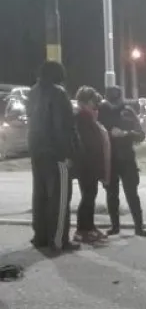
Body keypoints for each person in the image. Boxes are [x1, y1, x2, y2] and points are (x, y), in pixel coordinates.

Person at [26, 60, 78, 253]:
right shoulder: (59, 93)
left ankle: (40, 236)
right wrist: (67, 153)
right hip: (56, 153)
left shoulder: (33, 92)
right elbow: (62, 127)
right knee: (60, 197)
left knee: (39, 195)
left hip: (36, 151)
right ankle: (58, 240)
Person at [99, 86, 146, 237]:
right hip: (109, 159)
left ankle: (139, 227)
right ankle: (115, 227)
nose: (113, 104)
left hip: (127, 158)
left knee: (132, 194)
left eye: (115, 100)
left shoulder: (128, 111)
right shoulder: (102, 112)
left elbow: (141, 135)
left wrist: (125, 134)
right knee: (111, 194)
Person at [72, 86, 111, 244]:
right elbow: (86, 143)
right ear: (85, 101)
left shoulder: (88, 116)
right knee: (87, 197)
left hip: (91, 164)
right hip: (86, 165)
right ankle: (82, 230)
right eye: (93, 101)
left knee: (90, 196)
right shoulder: (81, 117)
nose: (96, 105)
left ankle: (90, 227)